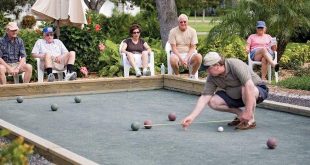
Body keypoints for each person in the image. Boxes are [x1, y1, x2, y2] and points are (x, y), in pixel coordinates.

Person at [182, 52, 269, 130]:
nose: (207, 71)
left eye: (208, 69)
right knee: (212, 101)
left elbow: (249, 86)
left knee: (245, 88)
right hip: (236, 95)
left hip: (257, 90)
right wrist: (192, 116)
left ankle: (250, 120)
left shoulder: (235, 65)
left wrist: (248, 111)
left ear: (216, 66)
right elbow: (205, 97)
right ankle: (240, 115)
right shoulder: (212, 77)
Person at [168, 14, 202, 79]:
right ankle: (177, 76)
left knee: (199, 57)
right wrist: (181, 59)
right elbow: (173, 48)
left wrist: (186, 58)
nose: (183, 23)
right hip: (177, 54)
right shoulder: (173, 31)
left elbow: (193, 47)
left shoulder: (192, 31)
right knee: (172, 60)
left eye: (184, 21)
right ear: (178, 23)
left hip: (189, 54)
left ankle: (192, 75)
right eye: (181, 22)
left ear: (187, 22)